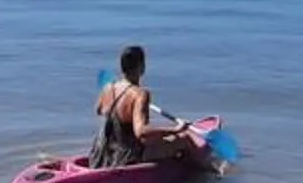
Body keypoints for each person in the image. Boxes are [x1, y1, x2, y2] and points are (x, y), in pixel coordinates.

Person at [93, 44, 218, 173]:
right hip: (130, 155)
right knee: (184, 139)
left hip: (105, 151)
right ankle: (212, 173)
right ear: (141, 67)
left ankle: (184, 166)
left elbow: (99, 110)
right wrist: (175, 130)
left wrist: (125, 111)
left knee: (163, 139)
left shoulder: (108, 88)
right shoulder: (140, 94)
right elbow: (141, 132)